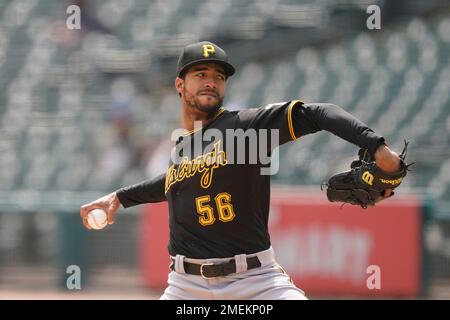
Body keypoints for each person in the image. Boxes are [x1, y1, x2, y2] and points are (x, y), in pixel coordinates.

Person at [80, 41, 402, 300]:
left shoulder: (246, 129)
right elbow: (170, 183)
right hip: (184, 286)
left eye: (219, 76)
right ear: (180, 84)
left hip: (255, 282)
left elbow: (318, 113)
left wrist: (377, 147)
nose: (211, 81)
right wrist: (120, 198)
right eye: (200, 73)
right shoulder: (182, 149)